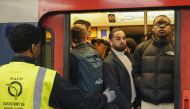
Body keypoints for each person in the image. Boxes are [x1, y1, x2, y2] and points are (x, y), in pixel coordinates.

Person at [0, 24, 116, 109]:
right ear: (33, 47)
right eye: (40, 46)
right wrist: (105, 97)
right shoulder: (46, 77)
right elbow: (79, 100)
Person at [132, 15, 174, 109]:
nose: (162, 26)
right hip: (147, 101)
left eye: (165, 24)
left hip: (170, 102)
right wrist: (142, 85)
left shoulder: (177, 48)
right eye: (158, 24)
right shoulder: (141, 48)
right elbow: (135, 72)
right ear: (153, 28)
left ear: (170, 28)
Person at [103, 28, 137, 109]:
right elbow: (113, 89)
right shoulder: (108, 62)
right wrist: (129, 106)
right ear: (110, 42)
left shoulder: (128, 56)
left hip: (132, 102)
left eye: (124, 38)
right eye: (118, 39)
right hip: (120, 106)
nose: (122, 41)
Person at [70, 24, 104, 93]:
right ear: (86, 37)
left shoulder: (72, 54)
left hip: (81, 96)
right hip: (98, 94)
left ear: (71, 38)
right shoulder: (95, 52)